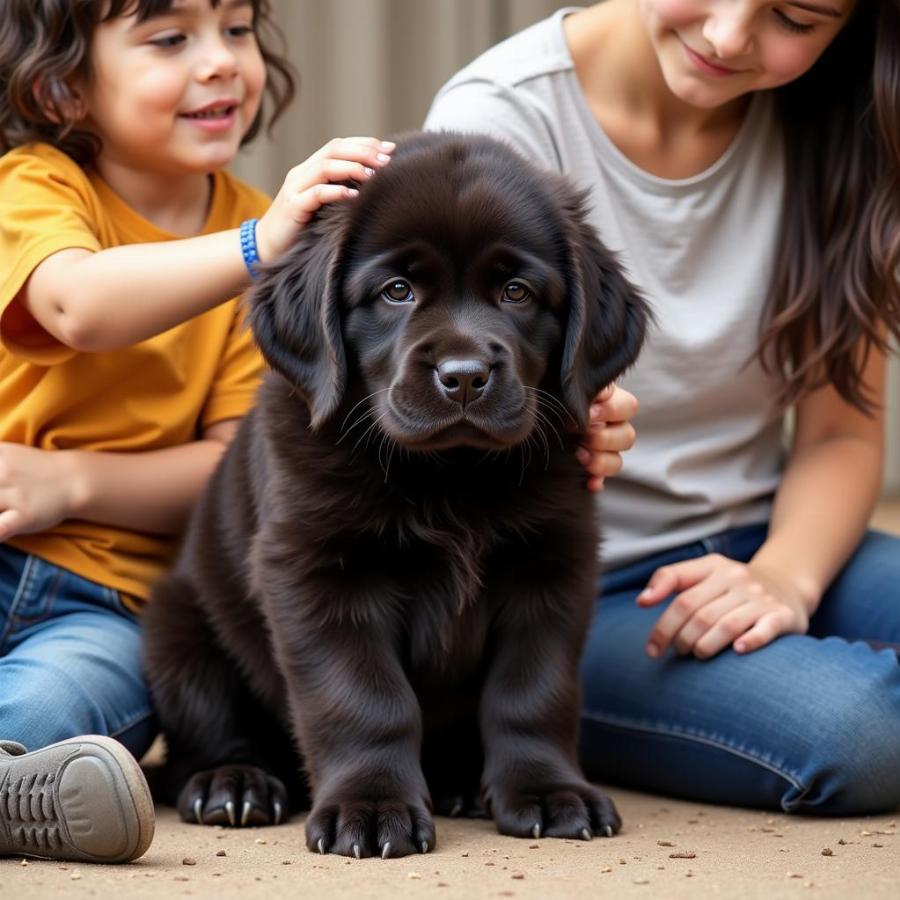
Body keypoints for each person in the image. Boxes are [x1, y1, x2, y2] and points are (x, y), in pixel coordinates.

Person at [425, 0, 900, 815]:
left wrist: (783, 577)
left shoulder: (841, 125)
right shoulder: (500, 118)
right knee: (862, 731)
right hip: (568, 591)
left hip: (772, 537)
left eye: (794, 17)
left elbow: (839, 431)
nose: (727, 36)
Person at [0, 0, 393, 863]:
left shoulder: (268, 242)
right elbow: (76, 303)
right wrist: (256, 245)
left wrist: (70, 484)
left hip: (109, 601)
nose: (220, 62)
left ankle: (11, 786)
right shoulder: (36, 184)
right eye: (171, 39)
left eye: (239, 29)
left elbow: (232, 466)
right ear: (63, 86)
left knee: (48, 711)